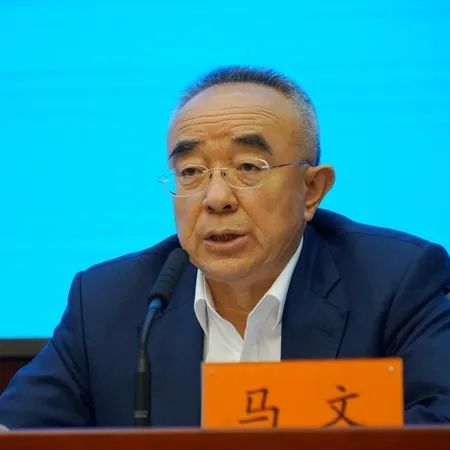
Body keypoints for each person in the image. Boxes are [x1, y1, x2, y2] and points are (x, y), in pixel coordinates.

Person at [0, 66, 449, 428]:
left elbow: (439, 423)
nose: (216, 198)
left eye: (248, 167)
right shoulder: (107, 302)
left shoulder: (396, 281)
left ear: (311, 190)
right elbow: (17, 430)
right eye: (192, 172)